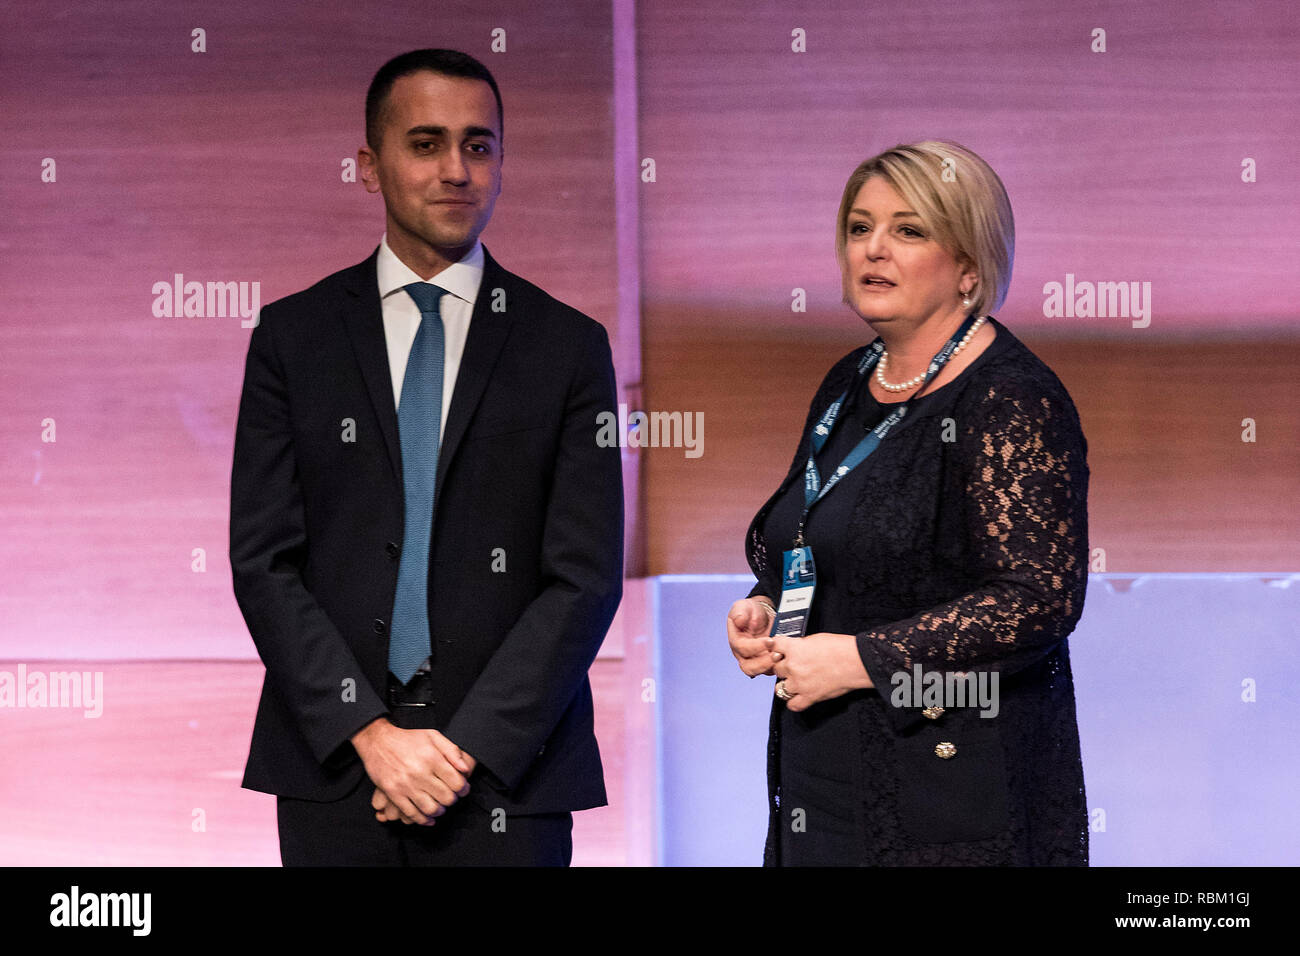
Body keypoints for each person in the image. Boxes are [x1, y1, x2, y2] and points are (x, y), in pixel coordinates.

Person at [229, 48, 623, 866]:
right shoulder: (292, 340)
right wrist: (371, 735)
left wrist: (460, 751)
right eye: (426, 144)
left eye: (479, 146)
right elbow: (265, 561)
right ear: (370, 167)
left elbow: (584, 576)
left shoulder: (569, 347)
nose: (456, 170)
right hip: (336, 764)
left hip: (507, 773)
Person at [726, 140, 1090, 866]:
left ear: (969, 266)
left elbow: (1037, 601)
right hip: (823, 769)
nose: (874, 250)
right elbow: (822, 535)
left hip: (954, 788)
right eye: (860, 229)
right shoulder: (849, 380)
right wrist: (766, 604)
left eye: (909, 230)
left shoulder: (1011, 397)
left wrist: (863, 659)